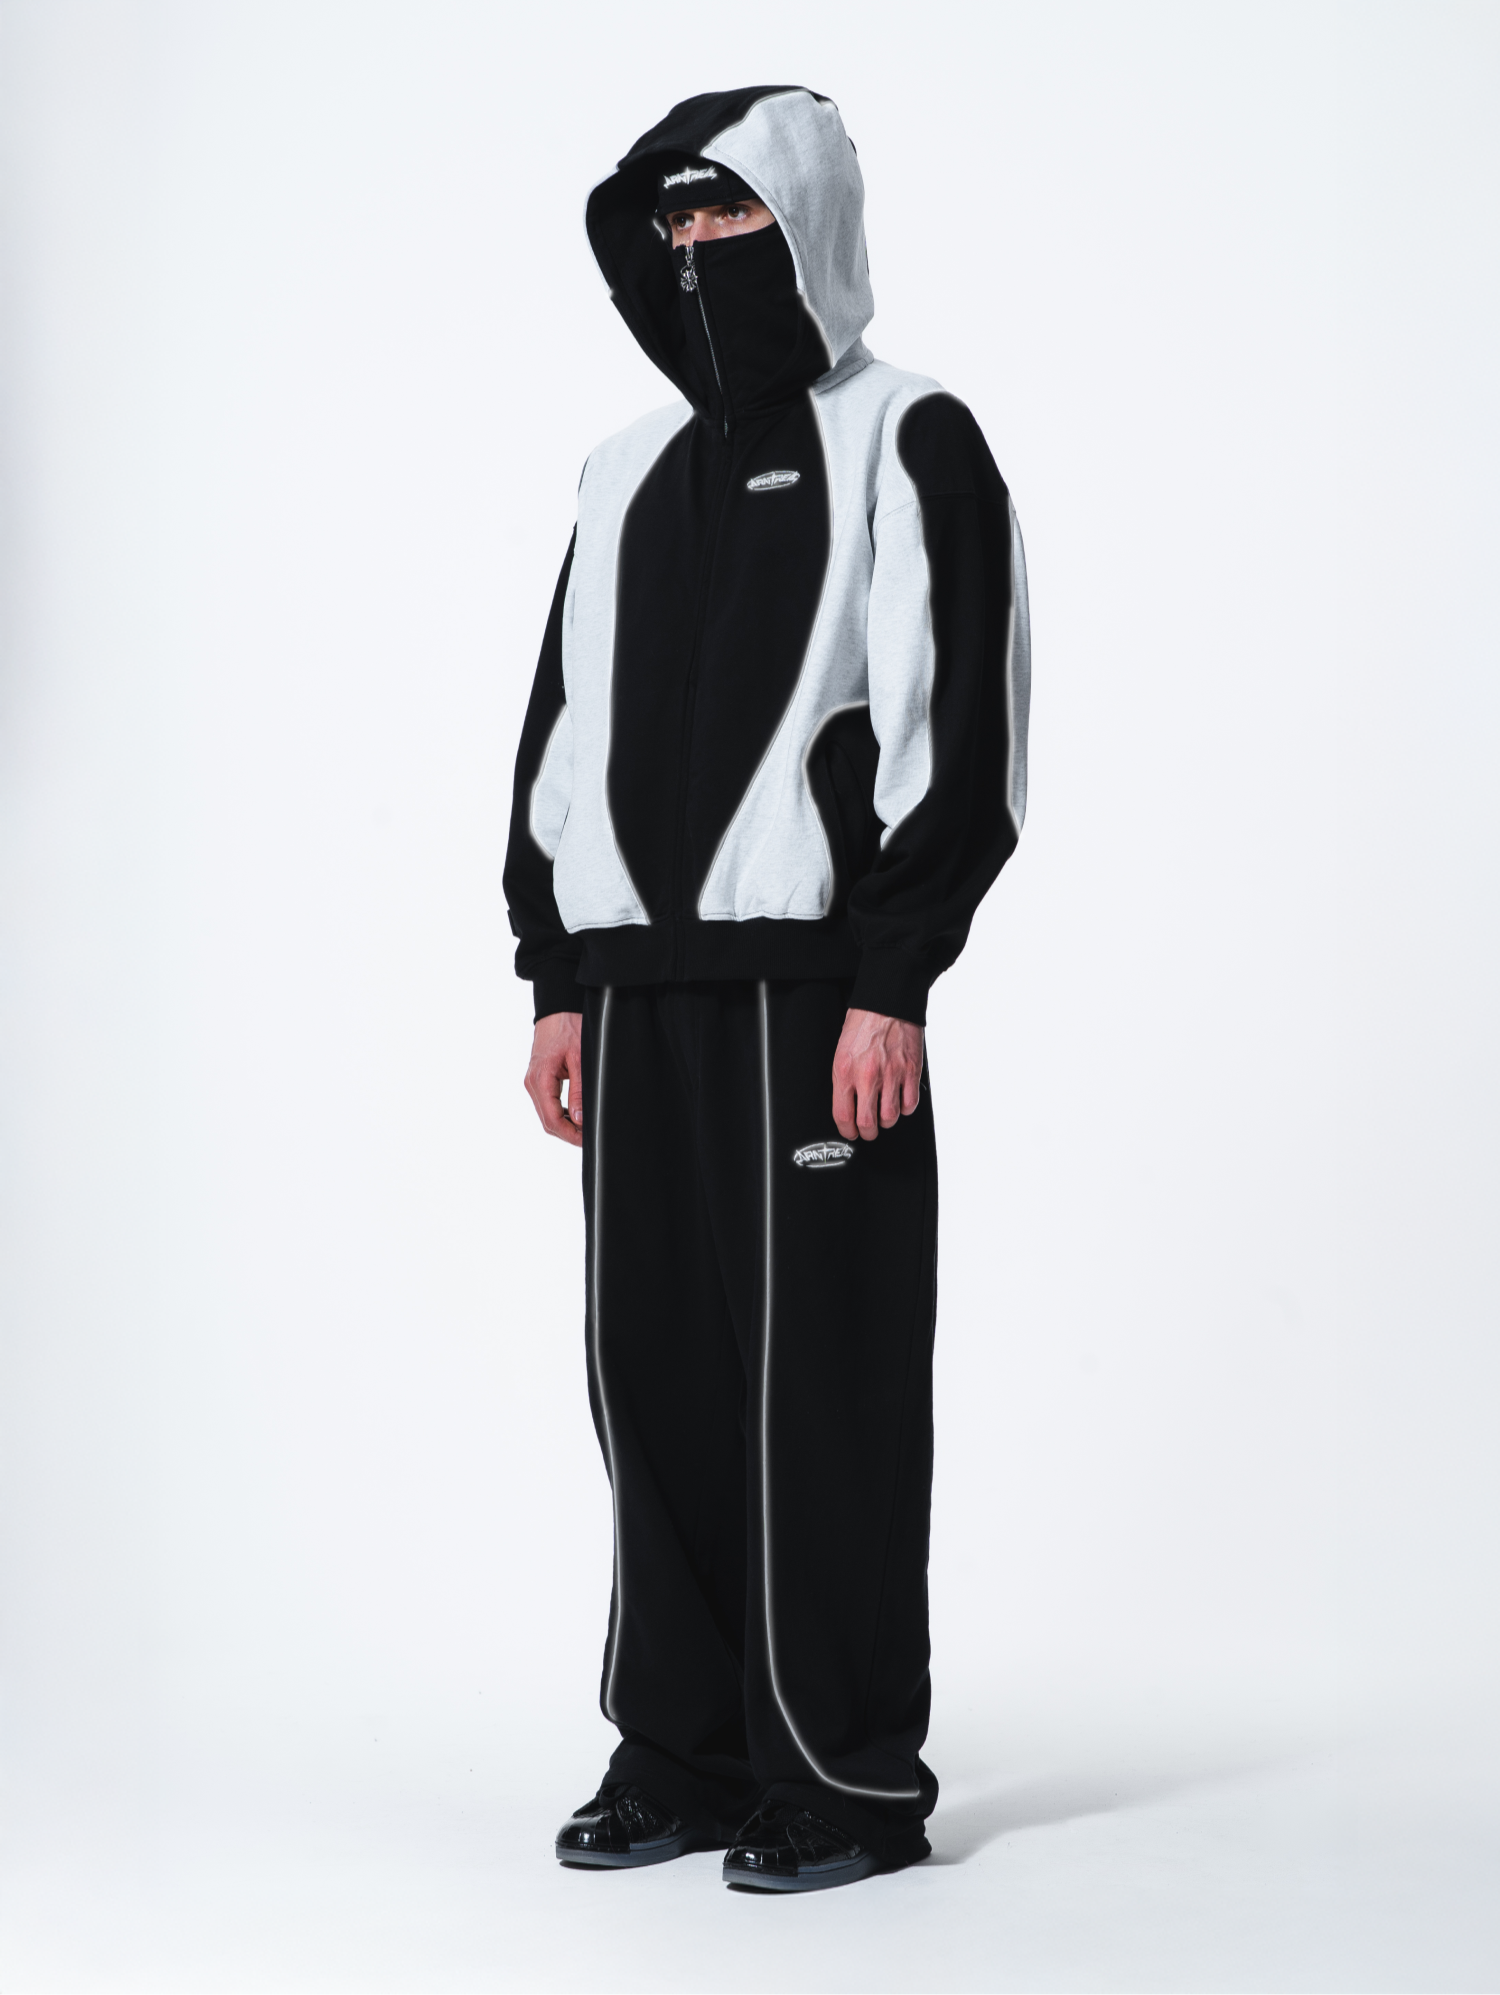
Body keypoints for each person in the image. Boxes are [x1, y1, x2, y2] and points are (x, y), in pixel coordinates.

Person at [503, 84, 1029, 1894]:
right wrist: (556, 975)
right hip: (635, 1002)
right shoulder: (618, 471)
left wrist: (895, 977)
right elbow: (561, 729)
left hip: (814, 999)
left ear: (807, 226)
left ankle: (844, 1772)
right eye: (674, 224)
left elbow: (961, 724)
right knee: (651, 1383)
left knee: (828, 1386)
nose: (698, 250)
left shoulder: (909, 435)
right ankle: (684, 1750)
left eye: (730, 217)